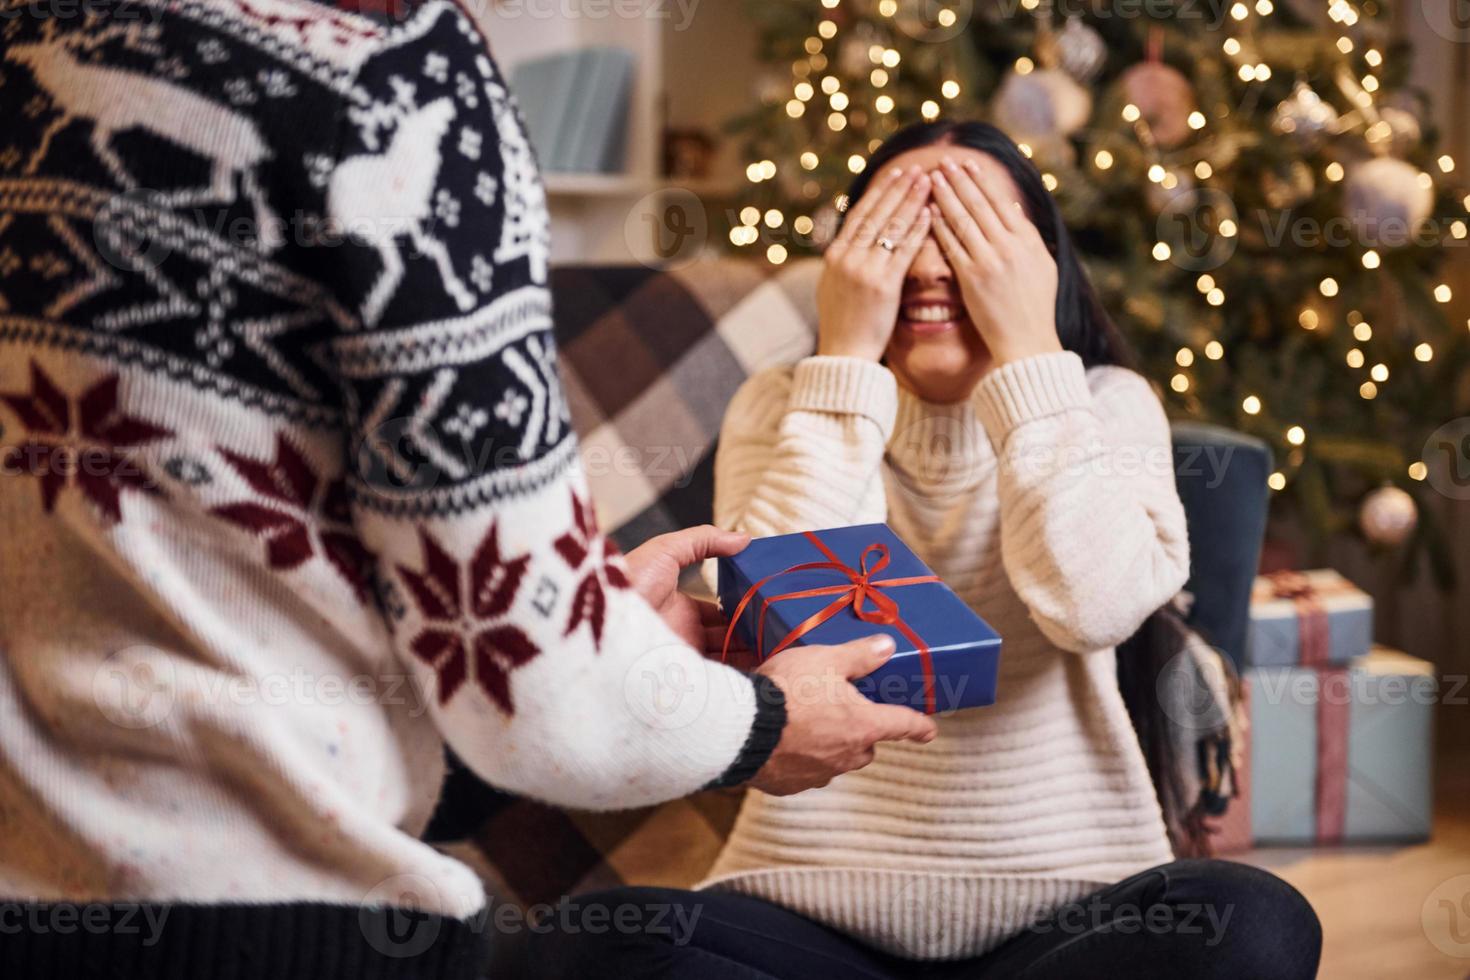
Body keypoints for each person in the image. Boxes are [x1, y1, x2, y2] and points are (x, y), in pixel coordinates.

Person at [0, 1, 937, 975]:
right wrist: (764, 720)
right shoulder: (389, 67)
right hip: (278, 923)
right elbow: (533, 691)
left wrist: (591, 621)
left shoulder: (35, 35)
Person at [527, 121, 1322, 978]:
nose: (931, 264)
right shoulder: (784, 403)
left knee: (1259, 923)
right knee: (589, 940)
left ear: (1037, 261)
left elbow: (1093, 607)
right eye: (897, 226)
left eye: (973, 227)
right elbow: (789, 622)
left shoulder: (1104, 402)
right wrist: (845, 363)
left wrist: (1026, 357)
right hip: (806, 911)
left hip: (1067, 916)